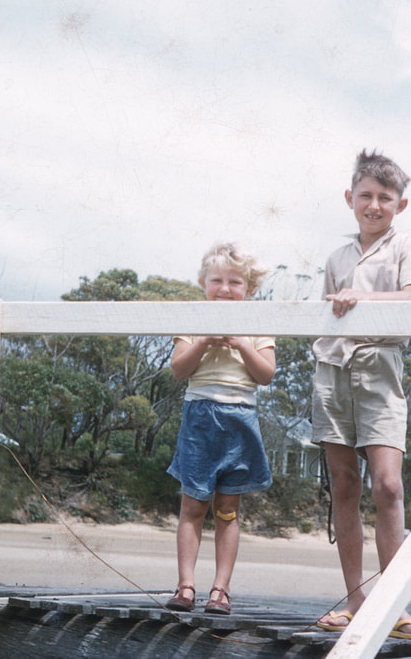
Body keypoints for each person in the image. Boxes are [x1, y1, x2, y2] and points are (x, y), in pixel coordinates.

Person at [311, 149, 411, 640]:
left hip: (380, 370)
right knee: (344, 484)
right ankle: (355, 601)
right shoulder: (337, 257)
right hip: (331, 369)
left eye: (385, 197)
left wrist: (361, 299)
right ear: (350, 199)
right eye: (366, 195)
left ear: (399, 204)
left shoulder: (407, 245)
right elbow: (324, 314)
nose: (374, 205)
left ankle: (395, 604)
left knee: (387, 485)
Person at [164, 242, 276, 616]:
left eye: (235, 282)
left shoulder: (258, 325)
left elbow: (265, 375)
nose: (225, 289)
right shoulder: (193, 318)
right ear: (203, 283)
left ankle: (220, 590)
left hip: (240, 418)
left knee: (227, 509)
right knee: (192, 505)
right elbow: (179, 370)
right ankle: (186, 586)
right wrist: (206, 341)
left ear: (249, 289)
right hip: (200, 417)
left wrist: (243, 344)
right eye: (217, 281)